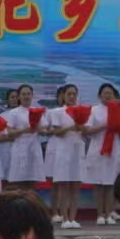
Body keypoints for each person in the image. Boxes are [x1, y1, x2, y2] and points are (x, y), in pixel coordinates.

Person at [85, 84, 120, 225]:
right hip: (99, 149)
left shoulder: (118, 109)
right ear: (99, 96)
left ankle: (109, 214)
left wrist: (119, 128)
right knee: (99, 184)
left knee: (111, 183)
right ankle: (100, 214)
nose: (108, 95)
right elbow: (88, 131)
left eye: (110, 93)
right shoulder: (94, 110)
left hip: (114, 150)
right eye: (105, 93)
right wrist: (105, 125)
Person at [46, 83, 88, 230]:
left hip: (77, 149)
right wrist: (73, 126)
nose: (71, 97)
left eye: (74, 94)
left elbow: (86, 132)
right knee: (64, 185)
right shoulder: (58, 112)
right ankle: (65, 218)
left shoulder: (81, 111)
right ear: (63, 96)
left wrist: (81, 126)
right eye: (69, 94)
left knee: (75, 186)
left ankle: (73, 218)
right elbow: (57, 132)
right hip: (63, 151)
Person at [4, 83, 46, 195]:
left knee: (32, 183)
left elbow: (44, 131)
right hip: (19, 149)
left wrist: (37, 127)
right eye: (23, 94)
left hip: (34, 149)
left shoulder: (37, 111)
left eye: (28, 94)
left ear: (32, 96)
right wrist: (23, 130)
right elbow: (10, 132)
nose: (26, 96)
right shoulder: (14, 113)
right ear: (19, 96)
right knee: (19, 184)